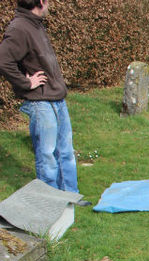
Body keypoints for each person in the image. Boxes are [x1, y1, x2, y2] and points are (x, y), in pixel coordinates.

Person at [0, 0, 90, 205]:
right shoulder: (19, 27)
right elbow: (3, 60)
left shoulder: (36, 24)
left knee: (65, 152)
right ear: (40, 2)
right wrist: (26, 82)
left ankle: (70, 197)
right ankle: (50, 203)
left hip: (56, 98)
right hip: (40, 102)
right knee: (47, 156)